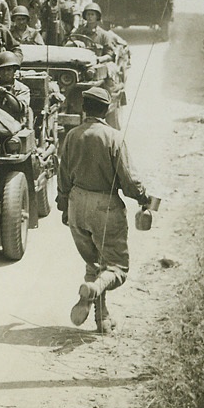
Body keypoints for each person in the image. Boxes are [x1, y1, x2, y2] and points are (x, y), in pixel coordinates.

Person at [56, 88, 151, 334]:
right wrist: (144, 198)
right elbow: (129, 181)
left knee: (94, 264)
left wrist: (64, 205)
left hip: (77, 204)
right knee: (117, 268)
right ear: (107, 110)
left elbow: (63, 176)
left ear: (84, 108)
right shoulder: (114, 137)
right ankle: (96, 289)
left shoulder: (71, 136)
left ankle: (102, 319)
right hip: (104, 207)